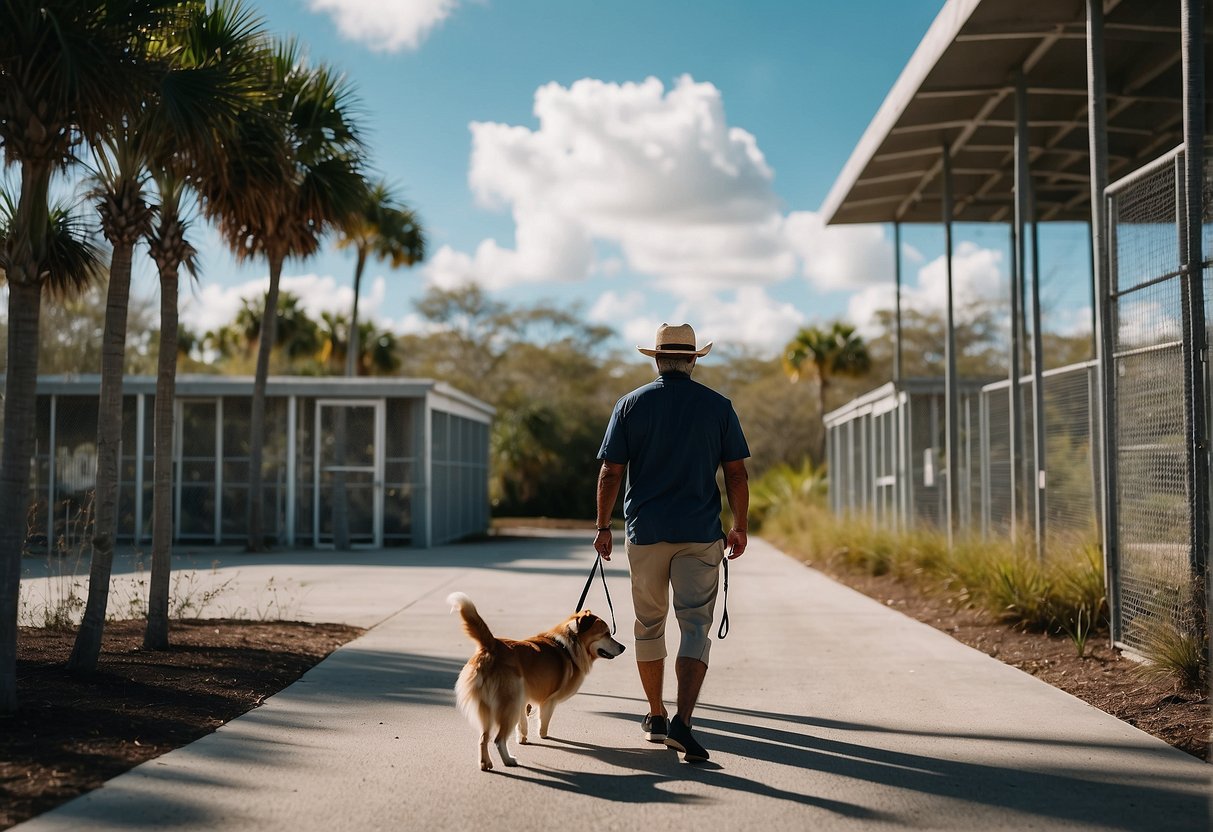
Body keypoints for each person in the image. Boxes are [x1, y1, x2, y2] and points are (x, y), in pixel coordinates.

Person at [593, 322, 750, 763]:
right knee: (695, 626)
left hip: (646, 533)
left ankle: (657, 716)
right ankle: (683, 721)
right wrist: (739, 525)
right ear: (693, 361)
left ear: (658, 359)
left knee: (649, 625)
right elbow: (736, 474)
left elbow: (610, 471)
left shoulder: (630, 405)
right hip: (700, 534)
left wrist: (603, 526)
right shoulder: (718, 407)